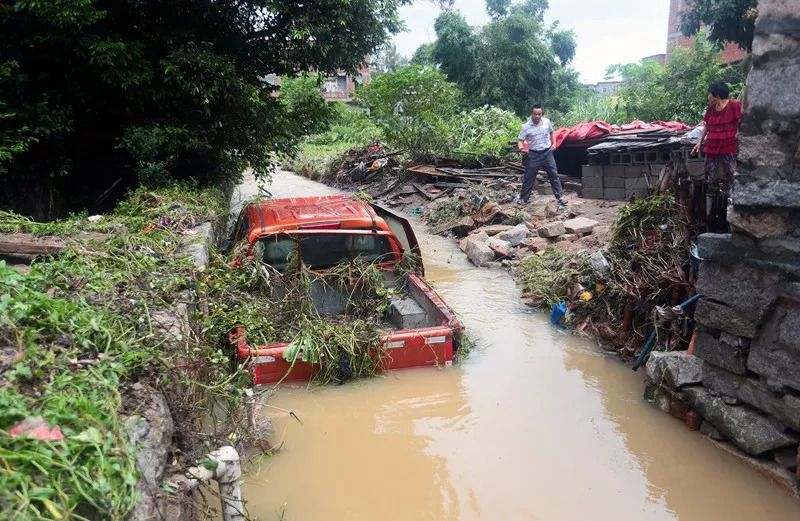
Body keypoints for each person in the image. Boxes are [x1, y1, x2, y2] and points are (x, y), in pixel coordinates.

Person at [691, 81, 742, 232]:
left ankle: (731, 203)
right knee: (709, 173)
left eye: (710, 93)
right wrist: (699, 142)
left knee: (732, 174)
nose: (708, 96)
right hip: (713, 145)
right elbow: (707, 126)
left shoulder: (734, 106)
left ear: (717, 95)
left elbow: (742, 123)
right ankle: (710, 201)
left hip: (729, 145)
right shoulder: (712, 109)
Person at [516, 104, 566, 206]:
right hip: (533, 154)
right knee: (529, 177)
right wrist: (521, 148)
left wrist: (554, 143)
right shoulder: (526, 127)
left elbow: (552, 133)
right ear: (532, 114)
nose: (537, 116)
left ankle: (560, 197)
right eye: (535, 114)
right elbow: (520, 140)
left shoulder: (547, 122)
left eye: (539, 114)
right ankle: (523, 199)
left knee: (554, 175)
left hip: (547, 152)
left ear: (541, 113)